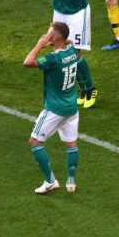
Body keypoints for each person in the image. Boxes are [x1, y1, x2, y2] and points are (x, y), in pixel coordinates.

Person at [22, 22, 81, 194]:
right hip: (71, 108)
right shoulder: (71, 51)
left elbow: (27, 62)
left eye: (48, 34)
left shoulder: (52, 59)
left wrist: (40, 45)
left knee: (35, 142)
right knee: (71, 144)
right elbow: (72, 45)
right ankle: (71, 181)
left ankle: (50, 181)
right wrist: (59, 42)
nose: (45, 36)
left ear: (55, 38)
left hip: (55, 109)